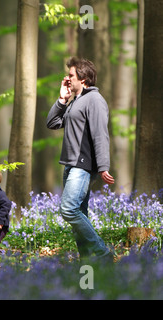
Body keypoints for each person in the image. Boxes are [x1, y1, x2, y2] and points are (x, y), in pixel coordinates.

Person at [47, 57, 115, 263]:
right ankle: (86, 260)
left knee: (68, 209)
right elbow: (52, 123)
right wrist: (62, 100)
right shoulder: (76, 100)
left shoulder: (94, 100)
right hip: (71, 164)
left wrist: (103, 166)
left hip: (83, 165)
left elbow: (100, 134)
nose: (67, 78)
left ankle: (103, 253)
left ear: (83, 79)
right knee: (80, 213)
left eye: (71, 75)